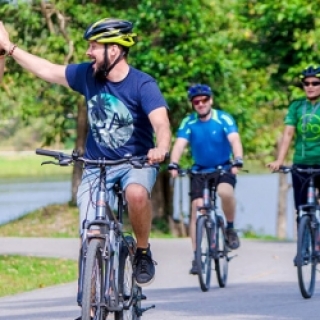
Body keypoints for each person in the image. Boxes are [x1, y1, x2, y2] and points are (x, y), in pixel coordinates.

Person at [0, 17, 171, 292]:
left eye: (94, 46)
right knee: (90, 232)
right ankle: (90, 305)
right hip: (96, 166)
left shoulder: (143, 84)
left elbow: (161, 123)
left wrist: (160, 147)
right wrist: (9, 48)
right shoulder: (87, 76)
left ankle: (141, 252)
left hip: (135, 162)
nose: (88, 52)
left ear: (113, 50)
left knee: (137, 193)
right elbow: (47, 69)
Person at [168, 83, 244, 274]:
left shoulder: (223, 118)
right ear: (192, 104)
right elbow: (179, 145)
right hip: (200, 170)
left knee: (224, 192)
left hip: (223, 168)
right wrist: (174, 163)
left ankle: (230, 228)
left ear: (211, 100)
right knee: (196, 209)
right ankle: (197, 257)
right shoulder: (189, 122)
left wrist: (238, 160)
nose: (201, 104)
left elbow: (235, 140)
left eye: (204, 100)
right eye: (196, 102)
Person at [268, 65, 320, 261]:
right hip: (301, 163)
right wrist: (280, 160)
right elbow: (288, 133)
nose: (310, 86)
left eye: (315, 83)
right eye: (306, 83)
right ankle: (304, 247)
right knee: (301, 209)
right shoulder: (297, 106)